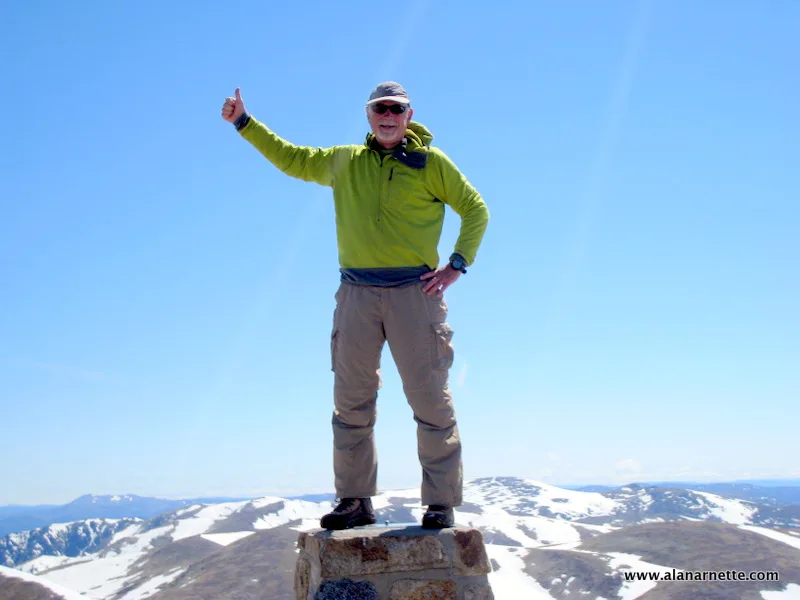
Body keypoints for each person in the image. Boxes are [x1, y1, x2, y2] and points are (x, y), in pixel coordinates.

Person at [220, 82, 489, 530]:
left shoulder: (432, 164)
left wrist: (456, 265)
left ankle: (441, 502)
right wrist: (244, 123)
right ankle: (355, 500)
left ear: (408, 114)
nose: (388, 115)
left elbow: (475, 208)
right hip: (356, 295)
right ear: (368, 115)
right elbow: (290, 157)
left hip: (415, 295)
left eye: (396, 108)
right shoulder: (345, 161)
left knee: (430, 402)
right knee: (351, 403)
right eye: (379, 108)